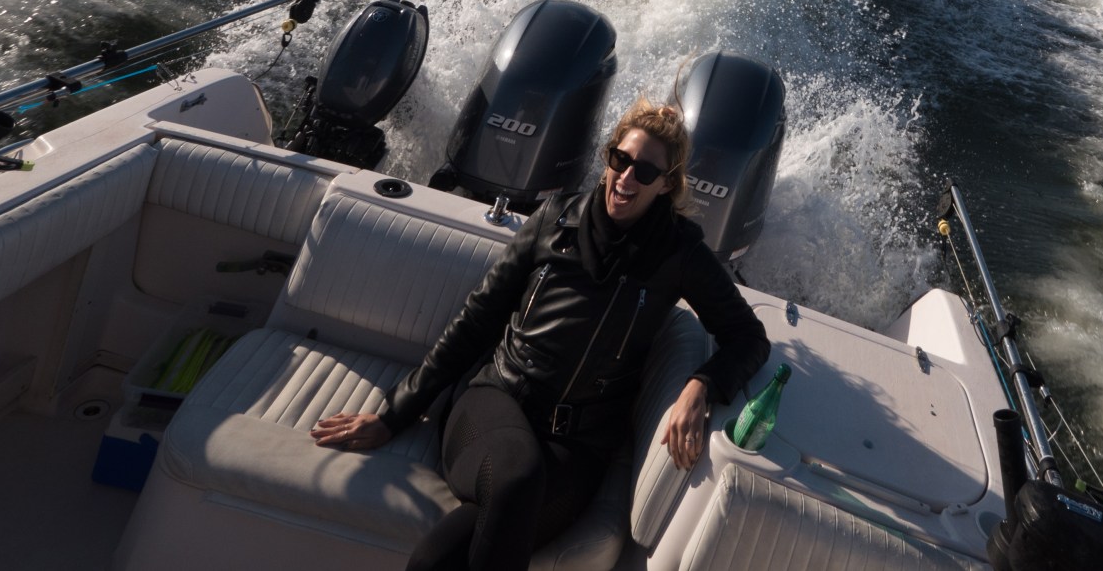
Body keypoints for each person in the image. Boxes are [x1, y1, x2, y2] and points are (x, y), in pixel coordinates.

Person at [310, 97, 770, 571]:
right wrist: (394, 412)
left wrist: (701, 385)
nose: (627, 178)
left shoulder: (678, 254)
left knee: (438, 559)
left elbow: (748, 336)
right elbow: (476, 319)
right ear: (608, 157)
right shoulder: (555, 218)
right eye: (621, 160)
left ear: (666, 184)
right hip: (494, 403)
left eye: (645, 172)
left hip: (577, 446)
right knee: (516, 479)